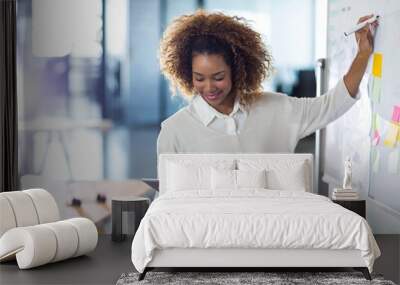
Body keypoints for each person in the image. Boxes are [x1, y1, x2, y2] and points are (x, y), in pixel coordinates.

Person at [157, 10, 378, 155]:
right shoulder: (174, 131)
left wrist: (363, 54)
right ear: (187, 74)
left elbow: (331, 106)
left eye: (218, 77)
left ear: (237, 69)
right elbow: (169, 204)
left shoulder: (277, 109)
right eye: (199, 78)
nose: (209, 87)